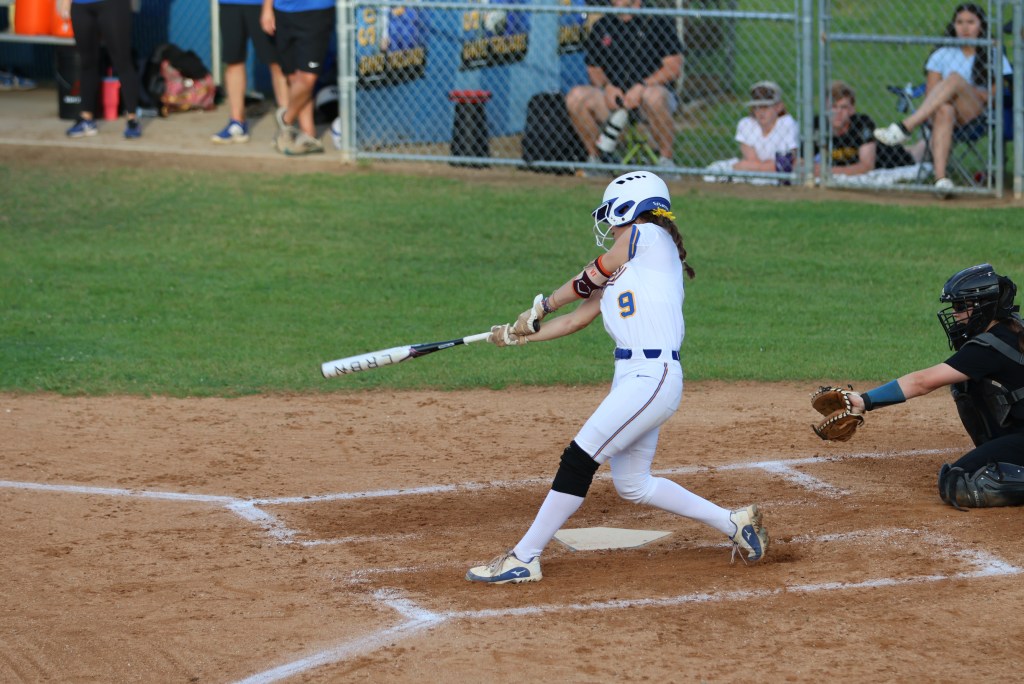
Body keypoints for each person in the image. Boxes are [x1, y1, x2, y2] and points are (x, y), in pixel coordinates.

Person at [465, 170, 769, 584]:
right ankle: (733, 522)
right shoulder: (627, 267)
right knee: (633, 484)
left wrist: (542, 305)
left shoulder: (648, 237)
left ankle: (524, 557)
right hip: (632, 377)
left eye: (612, 214)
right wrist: (517, 335)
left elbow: (588, 276)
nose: (608, 225)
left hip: (652, 376)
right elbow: (575, 320)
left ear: (631, 208)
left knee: (579, 459)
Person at [843, 264, 1024, 510]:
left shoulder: (988, 348)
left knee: (960, 482)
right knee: (965, 383)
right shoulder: (1013, 327)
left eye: (960, 307)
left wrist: (864, 401)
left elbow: (922, 382)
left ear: (984, 305)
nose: (955, 314)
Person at [873, 3, 1013, 197]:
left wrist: (963, 88)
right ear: (953, 25)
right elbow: (932, 94)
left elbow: (995, 97)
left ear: (981, 26)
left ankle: (906, 126)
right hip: (941, 115)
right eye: (960, 22)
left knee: (954, 79)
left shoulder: (993, 53)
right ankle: (941, 181)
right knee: (945, 109)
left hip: (976, 115)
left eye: (971, 22)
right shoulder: (941, 54)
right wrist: (958, 91)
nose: (964, 28)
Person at [565, 0, 683, 175]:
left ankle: (666, 162)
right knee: (575, 97)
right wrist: (607, 87)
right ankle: (598, 161)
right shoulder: (603, 25)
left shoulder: (657, 20)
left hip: (649, 98)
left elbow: (673, 67)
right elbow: (594, 68)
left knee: (653, 96)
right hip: (615, 101)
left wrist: (643, 86)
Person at [56, 0, 142, 139]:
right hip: (81, 5)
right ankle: (87, 118)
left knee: (122, 62)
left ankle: (132, 119)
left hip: (113, 5)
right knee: (87, 62)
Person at [260, 0, 335, 155]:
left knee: (307, 78)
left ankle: (285, 119)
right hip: (283, 12)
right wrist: (267, 8)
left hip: (317, 11)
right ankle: (308, 134)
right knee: (294, 76)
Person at [211, 0, 289, 144]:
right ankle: (237, 123)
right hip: (229, 4)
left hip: (262, 5)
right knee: (233, 62)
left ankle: (287, 125)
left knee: (276, 63)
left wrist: (268, 7)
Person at [813, 80, 918, 177]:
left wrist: (827, 171)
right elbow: (804, 161)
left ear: (852, 109)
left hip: (893, 158)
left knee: (916, 155)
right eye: (833, 107)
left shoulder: (861, 123)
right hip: (847, 164)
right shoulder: (818, 124)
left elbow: (866, 166)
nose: (838, 112)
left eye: (843, 107)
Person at [701, 81, 798, 184]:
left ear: (779, 107)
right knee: (712, 171)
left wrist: (745, 166)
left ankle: (737, 179)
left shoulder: (787, 124)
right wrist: (759, 166)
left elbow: (783, 166)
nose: (761, 112)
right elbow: (752, 160)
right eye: (756, 107)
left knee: (775, 177)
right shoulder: (746, 124)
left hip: (777, 174)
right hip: (755, 171)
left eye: (766, 107)